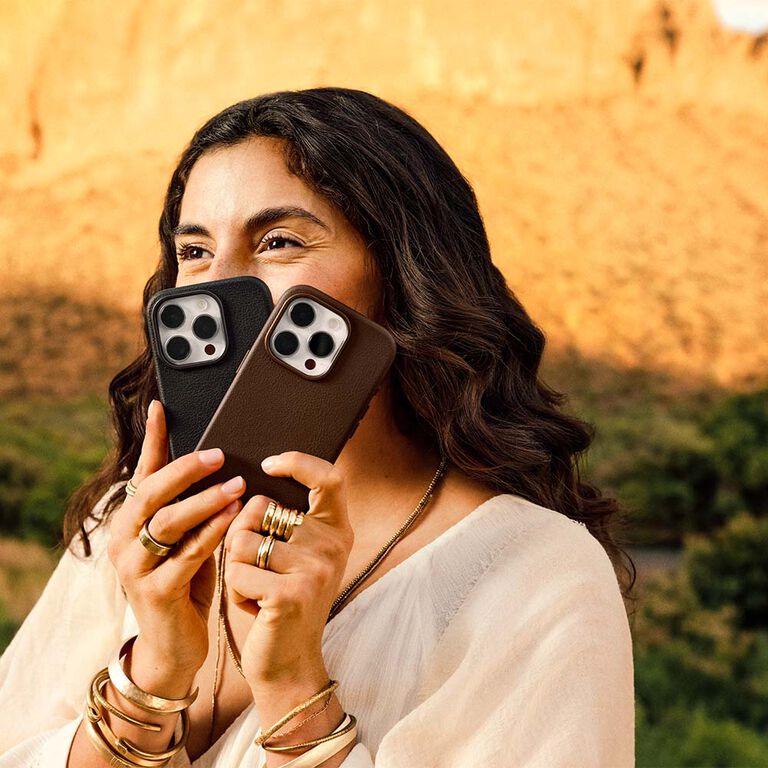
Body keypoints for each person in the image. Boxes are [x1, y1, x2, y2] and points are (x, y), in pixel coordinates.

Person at [0, 87, 636, 767]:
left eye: (278, 242)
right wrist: (150, 679)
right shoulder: (139, 522)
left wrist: (295, 690)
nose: (220, 288)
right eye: (193, 252)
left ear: (402, 273)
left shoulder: (536, 573)